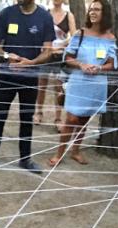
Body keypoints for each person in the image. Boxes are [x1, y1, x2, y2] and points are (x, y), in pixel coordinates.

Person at [0, 0, 54, 174]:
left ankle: (25, 159)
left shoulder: (44, 17)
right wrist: (7, 54)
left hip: (30, 77)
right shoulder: (6, 14)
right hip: (7, 75)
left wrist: (32, 62)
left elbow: (48, 51)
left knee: (26, 118)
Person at [47, 0, 115, 166]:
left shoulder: (110, 38)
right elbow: (68, 58)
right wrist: (82, 65)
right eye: (91, 9)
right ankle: (59, 153)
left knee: (83, 120)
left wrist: (98, 68)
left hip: (96, 84)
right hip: (78, 82)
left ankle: (76, 151)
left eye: (97, 10)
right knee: (71, 119)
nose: (92, 12)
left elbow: (111, 64)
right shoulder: (80, 33)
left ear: (104, 13)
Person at [33, 0, 76, 132]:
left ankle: (58, 118)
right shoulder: (44, 13)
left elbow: (74, 36)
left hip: (60, 55)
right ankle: (39, 112)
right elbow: (39, 33)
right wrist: (49, 48)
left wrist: (61, 45)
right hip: (46, 54)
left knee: (58, 86)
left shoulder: (69, 15)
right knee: (42, 84)